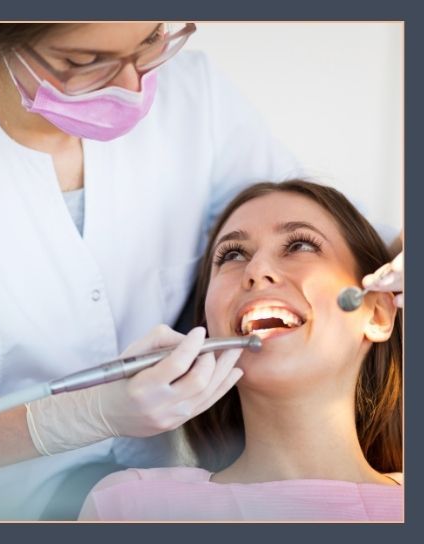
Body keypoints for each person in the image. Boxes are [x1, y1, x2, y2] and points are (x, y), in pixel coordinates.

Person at [0, 22, 303, 520]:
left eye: (151, 42)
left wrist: (397, 251)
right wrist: (79, 417)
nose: (133, 89)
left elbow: (318, 229)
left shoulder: (197, 98)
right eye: (84, 61)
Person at [78, 180, 403, 521]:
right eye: (232, 255)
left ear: (378, 313)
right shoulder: (129, 508)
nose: (255, 270)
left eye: (300, 245)